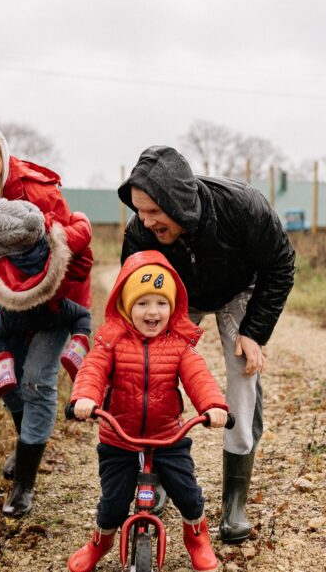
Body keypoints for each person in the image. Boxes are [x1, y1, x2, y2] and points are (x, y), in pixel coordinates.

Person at [118, 145, 295, 544]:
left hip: (239, 289)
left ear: (177, 200)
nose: (144, 222)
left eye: (152, 212)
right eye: (139, 212)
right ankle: (156, 472)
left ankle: (235, 503)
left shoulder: (244, 207)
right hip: (176, 295)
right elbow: (131, 290)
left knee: (242, 375)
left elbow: (280, 265)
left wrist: (254, 332)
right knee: (155, 368)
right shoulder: (139, 233)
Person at [0, 118, 93, 518]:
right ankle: (25, 445)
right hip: (5, 300)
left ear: (4, 157)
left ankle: (24, 484)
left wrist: (46, 288)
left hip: (54, 301)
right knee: (8, 383)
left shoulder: (32, 189)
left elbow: (76, 246)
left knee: (35, 380)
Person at [67, 251, 229, 572]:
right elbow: (93, 371)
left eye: (160, 303)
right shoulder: (111, 343)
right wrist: (84, 398)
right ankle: (101, 543)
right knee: (113, 503)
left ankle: (197, 539)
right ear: (126, 306)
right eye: (142, 303)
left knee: (188, 494)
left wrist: (213, 406)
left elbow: (199, 378)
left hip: (169, 436)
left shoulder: (180, 346)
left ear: (173, 307)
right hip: (119, 438)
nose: (152, 312)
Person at [0, 197, 92, 398]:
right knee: (82, 316)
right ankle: (76, 351)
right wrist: (79, 217)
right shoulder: (52, 243)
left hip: (13, 313)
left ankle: (5, 371)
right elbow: (83, 238)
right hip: (51, 308)